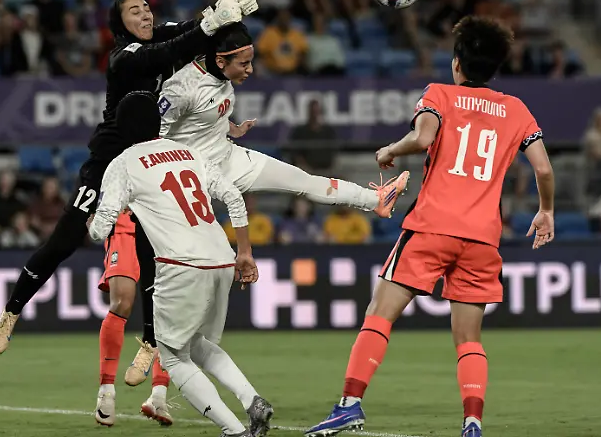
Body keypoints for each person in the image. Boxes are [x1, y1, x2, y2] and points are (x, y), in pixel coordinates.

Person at [134, 22, 410, 424]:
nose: (250, 70)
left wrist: (231, 128)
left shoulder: (220, 80)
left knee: (302, 181)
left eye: (251, 61)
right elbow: (152, 135)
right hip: (197, 177)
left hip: (229, 156)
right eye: (244, 63)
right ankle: (165, 385)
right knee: (193, 313)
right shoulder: (179, 89)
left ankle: (376, 201)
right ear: (220, 59)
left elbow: (202, 121)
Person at [0, 0, 258, 385]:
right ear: (120, 23)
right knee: (65, 238)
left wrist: (226, 12)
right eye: (135, 11)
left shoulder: (160, 34)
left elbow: (191, 30)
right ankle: (12, 311)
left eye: (147, 8)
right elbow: (173, 50)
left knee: (155, 250)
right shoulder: (123, 56)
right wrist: (212, 23)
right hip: (108, 160)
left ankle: (150, 341)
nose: (145, 15)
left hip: (149, 159)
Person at [305, 16, 556, 437]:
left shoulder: (440, 93)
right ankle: (472, 423)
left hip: (432, 228)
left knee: (379, 314)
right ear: (494, 68)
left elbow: (422, 138)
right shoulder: (517, 110)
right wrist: (545, 210)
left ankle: (349, 405)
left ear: (457, 63)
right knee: (468, 338)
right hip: (482, 239)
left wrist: (389, 150)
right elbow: (544, 169)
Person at [88, 93, 273, 437]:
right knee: (198, 345)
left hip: (181, 264)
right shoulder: (189, 152)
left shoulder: (124, 163)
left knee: (173, 357)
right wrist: (244, 251)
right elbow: (233, 196)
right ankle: (252, 401)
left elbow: (101, 228)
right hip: (221, 259)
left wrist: (93, 224)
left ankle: (234, 431)